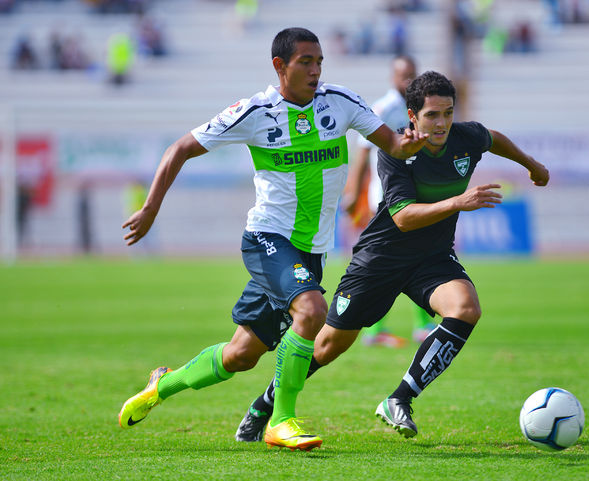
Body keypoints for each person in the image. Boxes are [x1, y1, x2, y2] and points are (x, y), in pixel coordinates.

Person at [117, 27, 428, 452]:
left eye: (319, 62)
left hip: (311, 251)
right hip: (268, 238)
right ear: (280, 66)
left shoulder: (341, 102)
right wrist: (151, 208)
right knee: (312, 309)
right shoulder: (256, 112)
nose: (316, 71)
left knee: (241, 355)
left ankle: (161, 385)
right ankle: (281, 421)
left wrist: (411, 143)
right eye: (306, 62)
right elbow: (180, 148)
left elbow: (392, 144)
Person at [235, 70, 549, 442]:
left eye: (448, 113)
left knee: (466, 308)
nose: (442, 123)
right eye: (432, 115)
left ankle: (400, 398)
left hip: (431, 258)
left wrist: (531, 164)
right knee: (328, 346)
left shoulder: (467, 137)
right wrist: (458, 202)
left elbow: (493, 138)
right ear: (412, 116)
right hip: (380, 259)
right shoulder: (397, 151)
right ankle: (264, 405)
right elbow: (403, 218)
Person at [345, 55, 434, 348]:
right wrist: (353, 193)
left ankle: (417, 326)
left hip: (413, 195)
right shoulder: (383, 109)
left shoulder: (421, 109)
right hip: (386, 198)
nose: (408, 80)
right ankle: (377, 329)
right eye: (403, 75)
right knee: (388, 262)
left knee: (416, 256)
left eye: (412, 74)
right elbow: (363, 153)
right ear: (392, 78)